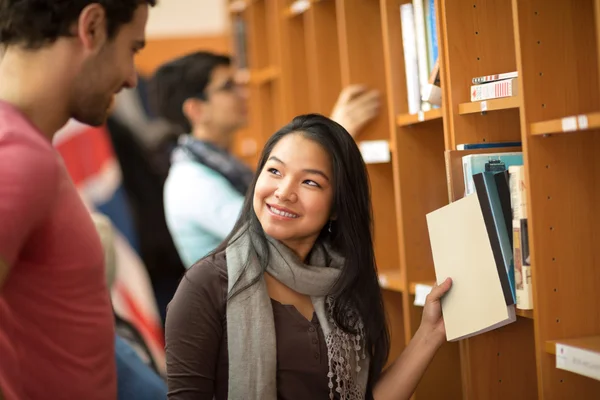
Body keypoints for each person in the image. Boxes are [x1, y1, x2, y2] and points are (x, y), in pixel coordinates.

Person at [165, 113, 453, 399]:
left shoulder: (343, 283)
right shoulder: (207, 285)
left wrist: (429, 334)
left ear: (338, 207)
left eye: (310, 183)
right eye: (275, 172)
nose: (284, 192)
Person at [0, 1, 154, 399]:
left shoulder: (24, 146)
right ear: (93, 27)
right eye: (132, 49)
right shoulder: (17, 154)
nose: (132, 78)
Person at [148, 51, 381, 268]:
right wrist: (333, 138)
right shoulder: (191, 181)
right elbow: (270, 234)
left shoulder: (221, 164)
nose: (244, 93)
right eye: (228, 87)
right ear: (196, 109)